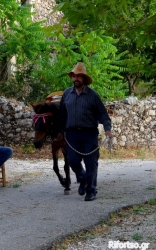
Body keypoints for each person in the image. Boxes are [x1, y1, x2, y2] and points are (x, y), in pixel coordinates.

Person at [58, 62, 113, 201]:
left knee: (91, 162)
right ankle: (83, 179)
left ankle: (91, 190)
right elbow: (62, 114)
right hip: (71, 134)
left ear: (84, 79)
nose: (76, 78)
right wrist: (60, 130)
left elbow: (102, 113)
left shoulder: (93, 95)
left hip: (89, 133)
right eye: (74, 76)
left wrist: (107, 129)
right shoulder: (66, 94)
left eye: (79, 76)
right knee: (73, 160)